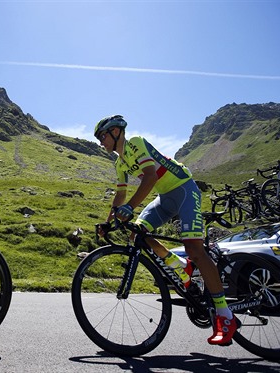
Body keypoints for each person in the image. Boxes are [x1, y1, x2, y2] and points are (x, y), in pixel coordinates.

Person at [94, 114, 237, 346]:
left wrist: (131, 206)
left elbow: (149, 177)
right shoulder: (120, 163)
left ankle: (225, 316)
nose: (101, 142)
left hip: (183, 189)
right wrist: (109, 221)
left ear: (116, 132)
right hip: (165, 198)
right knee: (137, 232)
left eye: (103, 136)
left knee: (194, 249)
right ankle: (181, 269)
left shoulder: (136, 143)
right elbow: (119, 195)